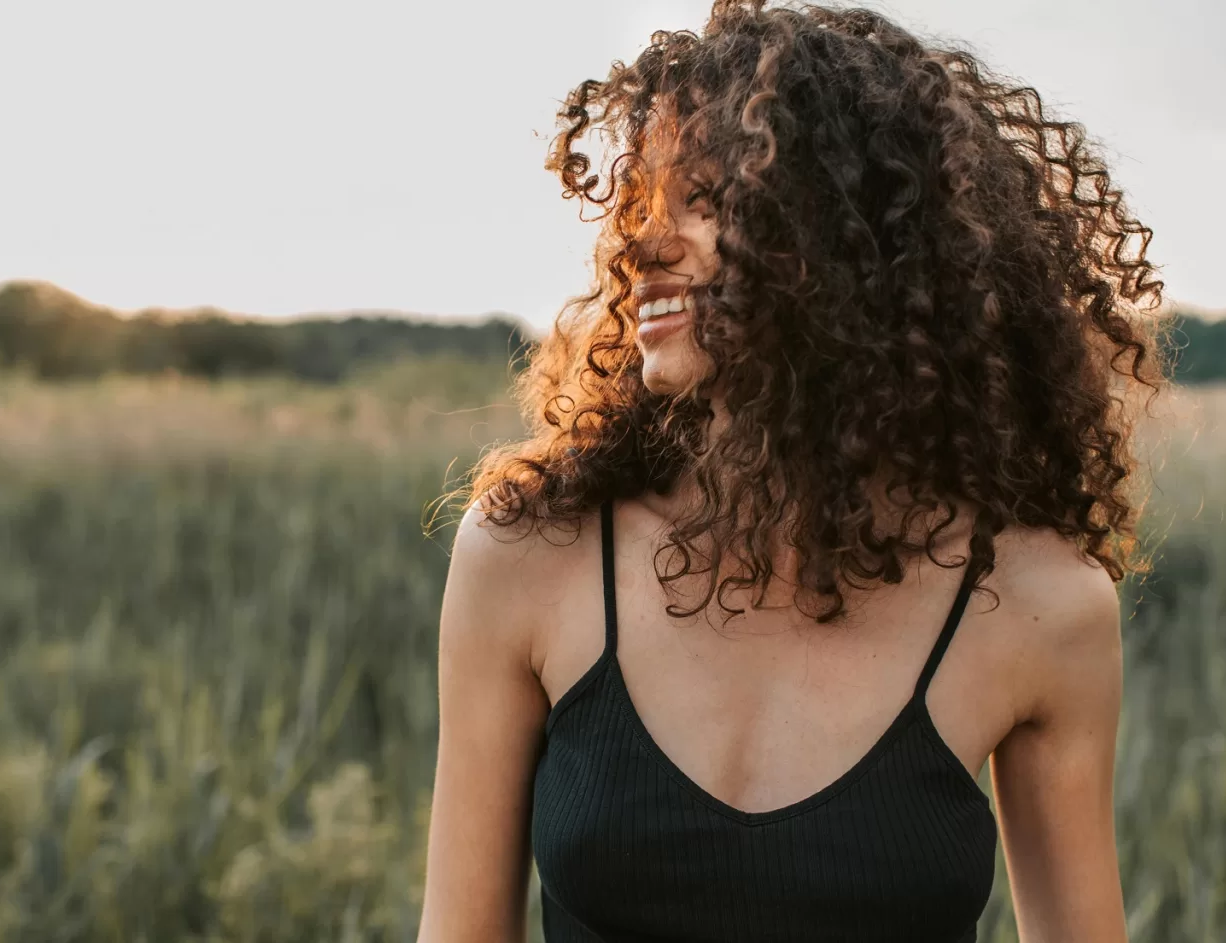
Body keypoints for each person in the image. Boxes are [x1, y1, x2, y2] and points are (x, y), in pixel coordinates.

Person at [418, 1, 1164, 940]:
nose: (644, 244)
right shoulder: (532, 552)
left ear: (848, 239)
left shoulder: (1040, 603)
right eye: (643, 202)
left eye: (705, 201)